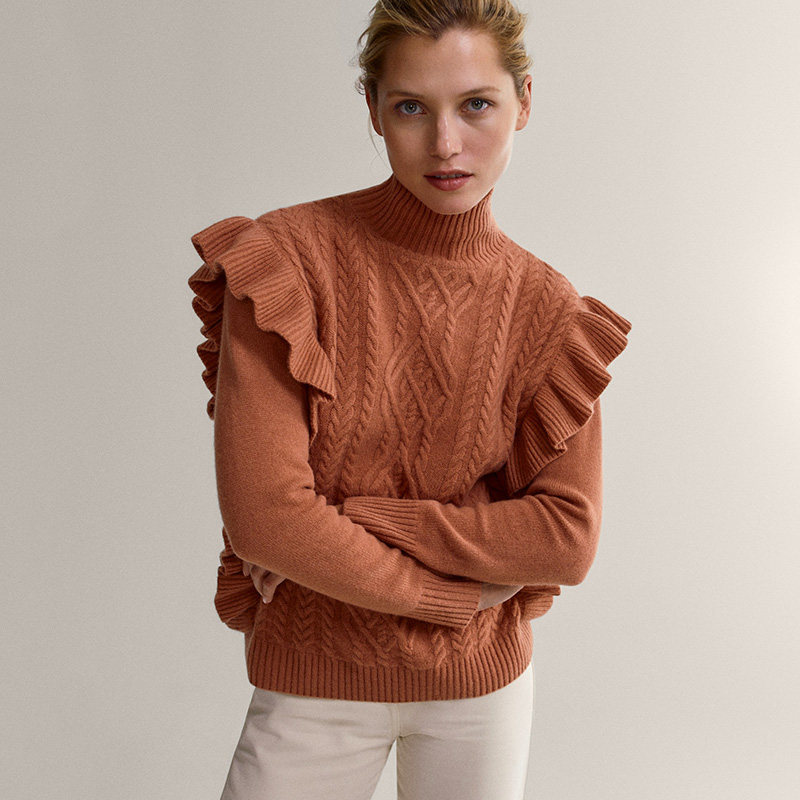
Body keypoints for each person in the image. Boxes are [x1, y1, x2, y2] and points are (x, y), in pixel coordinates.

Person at [187, 1, 632, 798]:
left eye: (476, 104)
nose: (446, 144)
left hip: (481, 693)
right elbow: (265, 516)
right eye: (411, 108)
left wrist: (352, 518)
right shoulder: (288, 261)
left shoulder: (547, 308)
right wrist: (451, 593)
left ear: (525, 101)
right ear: (373, 109)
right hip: (317, 683)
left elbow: (565, 538)